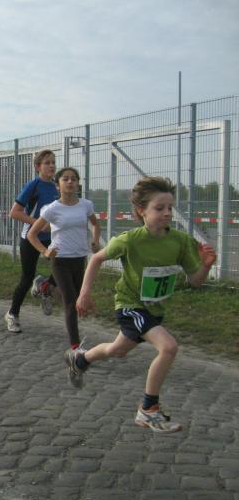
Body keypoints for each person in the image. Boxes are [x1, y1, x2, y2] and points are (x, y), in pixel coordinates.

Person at [70, 176, 216, 432]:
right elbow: (96, 259)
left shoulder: (180, 241)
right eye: (159, 208)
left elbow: (195, 281)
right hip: (130, 306)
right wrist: (84, 293)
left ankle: (80, 359)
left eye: (170, 207)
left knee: (117, 350)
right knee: (168, 347)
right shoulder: (130, 240)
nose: (167, 213)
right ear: (141, 211)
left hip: (154, 309)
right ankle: (148, 409)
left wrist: (205, 266)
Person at [27, 167, 100, 385]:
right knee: (70, 302)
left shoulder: (86, 205)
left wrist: (95, 240)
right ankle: (75, 349)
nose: (70, 182)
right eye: (65, 179)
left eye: (74, 179)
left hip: (80, 259)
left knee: (75, 297)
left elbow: (95, 224)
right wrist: (45, 251)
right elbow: (32, 234)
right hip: (60, 260)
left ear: (78, 183)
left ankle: (44, 286)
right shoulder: (52, 209)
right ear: (58, 185)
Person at [4, 150, 59, 333]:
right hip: (30, 237)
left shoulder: (56, 187)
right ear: (38, 167)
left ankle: (44, 286)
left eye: (53, 162)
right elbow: (14, 212)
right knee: (26, 279)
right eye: (47, 163)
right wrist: (38, 224)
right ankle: (12, 314)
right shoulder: (33, 186)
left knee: (63, 268)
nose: (51, 166)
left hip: (51, 238)